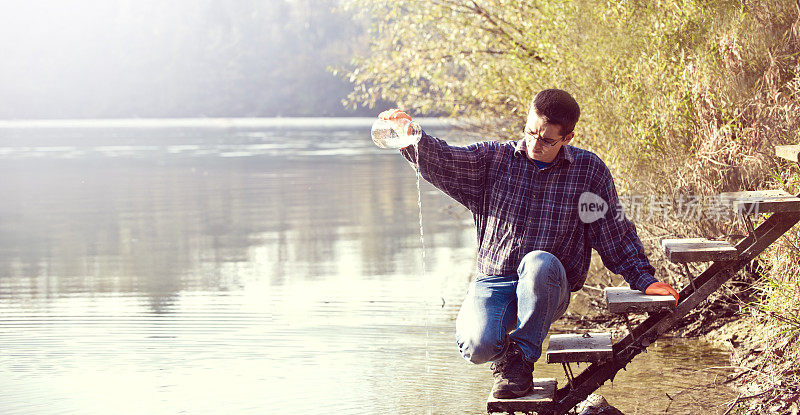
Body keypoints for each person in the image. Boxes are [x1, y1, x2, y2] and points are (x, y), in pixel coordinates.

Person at [377, 89, 679, 399]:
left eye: (547, 139)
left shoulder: (589, 171)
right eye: (531, 132)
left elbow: (612, 230)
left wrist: (644, 279)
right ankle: (509, 357)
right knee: (477, 346)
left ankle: (521, 361)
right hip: (493, 281)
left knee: (539, 262)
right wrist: (410, 134)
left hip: (548, 284)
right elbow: (445, 160)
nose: (535, 143)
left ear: (568, 137)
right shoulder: (493, 159)